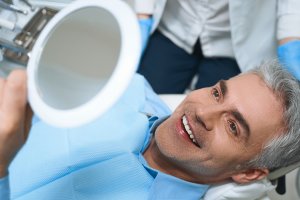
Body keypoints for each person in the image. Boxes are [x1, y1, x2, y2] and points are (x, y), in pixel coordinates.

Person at [1, 61, 300, 199]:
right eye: (217, 93)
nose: (203, 113)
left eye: (233, 126)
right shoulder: (128, 87)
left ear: (249, 173)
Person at [135, 0, 300, 94]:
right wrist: (143, 12)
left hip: (232, 44)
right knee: (141, 101)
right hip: (175, 25)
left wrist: (290, 36)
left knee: (212, 125)